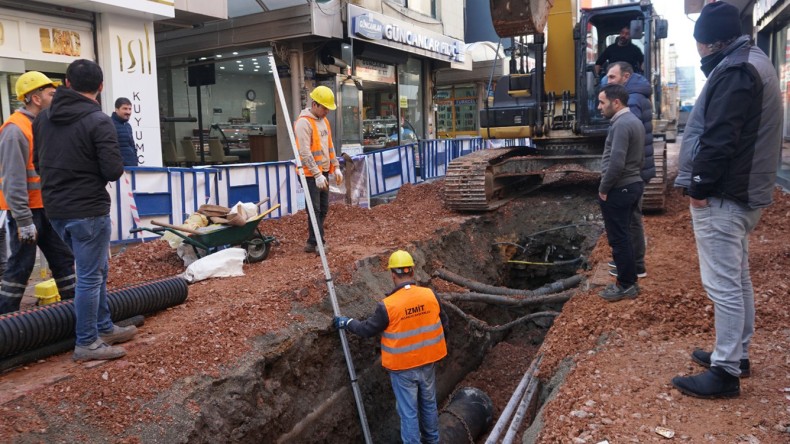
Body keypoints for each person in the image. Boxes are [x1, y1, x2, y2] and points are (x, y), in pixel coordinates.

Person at [671, 1, 782, 399]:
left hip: (725, 194)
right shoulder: (751, 62)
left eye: (699, 42)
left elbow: (719, 138)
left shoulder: (736, 70)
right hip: (741, 193)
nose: (699, 50)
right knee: (737, 278)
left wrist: (699, 188)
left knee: (724, 285)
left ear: (711, 42)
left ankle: (725, 371)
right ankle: (738, 354)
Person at [33, 59, 136, 362]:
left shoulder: (43, 118)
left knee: (96, 270)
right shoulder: (99, 121)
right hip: (88, 208)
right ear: (100, 87)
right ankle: (87, 342)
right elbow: (113, 169)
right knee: (90, 276)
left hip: (55, 209)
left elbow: (38, 163)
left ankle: (104, 327)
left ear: (67, 83)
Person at [333, 250, 448, 444]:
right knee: (429, 405)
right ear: (412, 271)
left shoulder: (388, 306)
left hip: (403, 370)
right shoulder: (430, 295)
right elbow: (444, 324)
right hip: (428, 363)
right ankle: (433, 441)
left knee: (409, 413)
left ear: (393, 274)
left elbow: (366, 329)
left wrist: (347, 322)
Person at [0, 71, 76, 314]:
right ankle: (7, 320)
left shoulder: (42, 125)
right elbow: (13, 179)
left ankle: (76, 310)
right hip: (27, 213)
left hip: (47, 209)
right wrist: (23, 220)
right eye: (51, 94)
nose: (55, 98)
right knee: (20, 267)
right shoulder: (15, 130)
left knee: (64, 259)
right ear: (35, 98)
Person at [604, 61, 654, 280]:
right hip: (637, 170)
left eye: (612, 77)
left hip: (630, 175)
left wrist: (606, 186)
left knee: (628, 223)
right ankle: (632, 263)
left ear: (626, 77)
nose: (607, 81)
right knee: (631, 220)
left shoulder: (630, 103)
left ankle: (632, 267)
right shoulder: (638, 97)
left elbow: (621, 153)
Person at [596, 83, 644, 302]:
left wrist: (603, 188)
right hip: (632, 184)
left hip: (620, 188)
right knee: (627, 234)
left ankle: (626, 285)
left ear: (616, 102)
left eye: (602, 102)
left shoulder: (621, 124)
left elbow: (616, 163)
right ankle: (630, 280)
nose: (599, 107)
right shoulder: (633, 120)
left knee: (619, 239)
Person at [294, 85, 343, 254]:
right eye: (324, 108)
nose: (327, 111)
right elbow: (304, 152)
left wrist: (336, 167)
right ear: (314, 104)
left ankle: (311, 241)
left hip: (323, 171)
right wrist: (316, 174)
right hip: (309, 174)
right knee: (314, 209)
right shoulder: (303, 123)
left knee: (323, 208)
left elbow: (329, 146)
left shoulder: (324, 121)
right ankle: (319, 243)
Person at [111, 97, 137, 166]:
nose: (128, 112)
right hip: (119, 168)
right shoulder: (109, 124)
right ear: (116, 110)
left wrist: (135, 162)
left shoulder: (128, 126)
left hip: (132, 167)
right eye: (125, 109)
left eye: (130, 109)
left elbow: (132, 146)